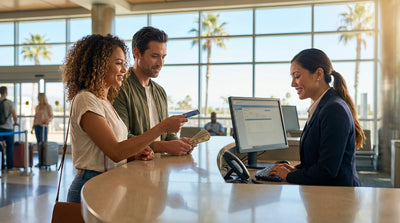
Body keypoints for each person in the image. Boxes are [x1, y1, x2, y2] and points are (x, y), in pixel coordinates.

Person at [62, 34, 188, 203]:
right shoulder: (86, 99)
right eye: (118, 63)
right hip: (91, 185)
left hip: (109, 184)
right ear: (98, 65)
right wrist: (162, 127)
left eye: (124, 63)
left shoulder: (104, 101)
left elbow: (112, 150)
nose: (123, 70)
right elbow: (115, 151)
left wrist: (134, 153)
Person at [269, 48, 365, 186]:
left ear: (318, 74)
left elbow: (326, 170)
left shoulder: (333, 109)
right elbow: (318, 160)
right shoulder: (324, 106)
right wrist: (295, 170)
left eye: (297, 76)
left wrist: (289, 176)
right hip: (327, 195)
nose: (293, 83)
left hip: (338, 198)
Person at [113, 26, 195, 157]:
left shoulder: (160, 92)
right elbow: (122, 138)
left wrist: (178, 143)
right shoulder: (120, 88)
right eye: (155, 56)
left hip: (158, 168)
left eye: (163, 57)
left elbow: (167, 135)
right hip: (132, 170)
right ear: (137, 53)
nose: (160, 63)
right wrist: (165, 146)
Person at [0, 86, 19, 171]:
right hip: (8, 128)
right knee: (9, 147)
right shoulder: (9, 102)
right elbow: (14, 114)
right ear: (6, 92)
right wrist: (15, 122)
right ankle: (9, 166)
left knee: (0, 148)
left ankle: (1, 165)